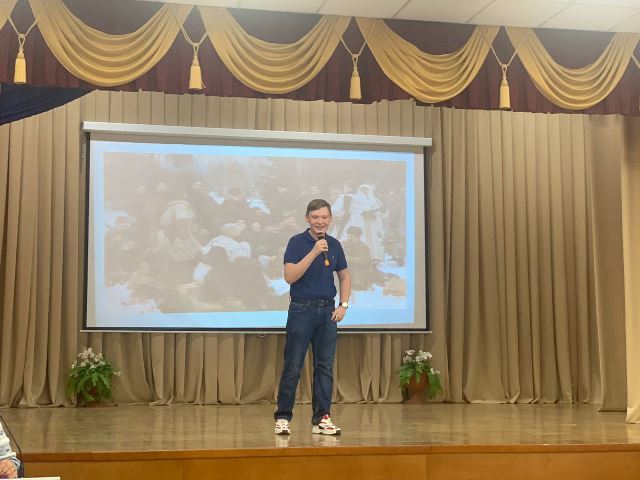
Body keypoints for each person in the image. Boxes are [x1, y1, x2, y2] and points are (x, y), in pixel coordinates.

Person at [274, 199, 351, 436]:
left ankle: (322, 418)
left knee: (324, 367)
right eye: (315, 217)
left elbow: (344, 276)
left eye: (324, 217)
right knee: (293, 365)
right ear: (307, 218)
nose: (320, 222)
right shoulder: (297, 242)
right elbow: (290, 276)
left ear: (330, 219)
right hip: (301, 310)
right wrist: (314, 251)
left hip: (327, 312)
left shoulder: (335, 244)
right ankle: (283, 417)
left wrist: (343, 305)